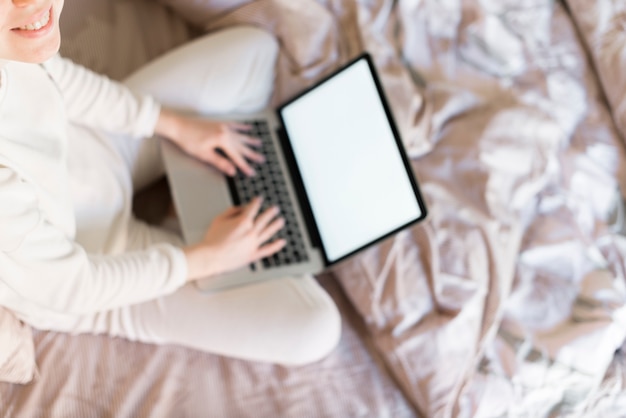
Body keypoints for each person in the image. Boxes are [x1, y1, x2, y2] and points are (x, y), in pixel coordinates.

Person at [0, 0, 341, 366]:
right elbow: (77, 287)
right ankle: (185, 217)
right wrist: (204, 258)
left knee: (258, 53)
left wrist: (179, 127)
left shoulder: (19, 35)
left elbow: (61, 79)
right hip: (93, 263)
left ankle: (187, 200)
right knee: (316, 327)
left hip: (91, 151)